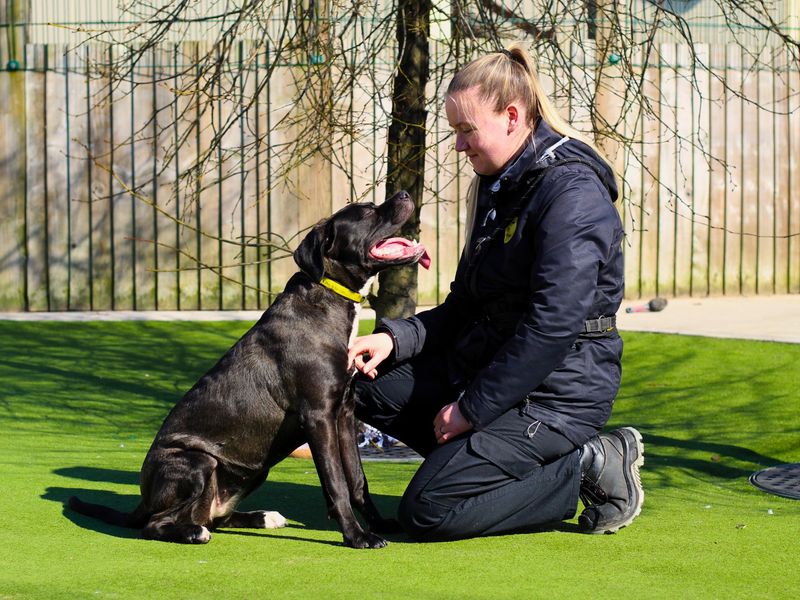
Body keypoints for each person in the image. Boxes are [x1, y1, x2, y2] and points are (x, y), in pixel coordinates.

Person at [348, 44, 644, 541]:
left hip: (557, 394)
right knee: (361, 386)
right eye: (455, 133)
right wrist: (395, 340)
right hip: (489, 367)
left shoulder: (572, 194)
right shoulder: (499, 182)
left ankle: (587, 463)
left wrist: (471, 410)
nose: (459, 146)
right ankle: (477, 469)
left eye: (466, 131)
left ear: (511, 117)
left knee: (428, 511)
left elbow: (552, 326)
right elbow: (466, 304)